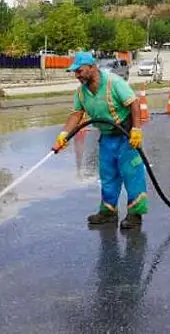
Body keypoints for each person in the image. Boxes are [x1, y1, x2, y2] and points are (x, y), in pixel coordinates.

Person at [52, 51, 148, 230]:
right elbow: (76, 114)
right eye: (75, 72)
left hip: (126, 136)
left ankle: (135, 214)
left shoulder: (114, 83)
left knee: (131, 174)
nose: (77, 75)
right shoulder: (81, 93)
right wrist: (64, 134)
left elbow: (133, 104)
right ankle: (108, 212)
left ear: (91, 67)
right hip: (107, 137)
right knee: (107, 175)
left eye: (79, 71)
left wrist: (136, 130)